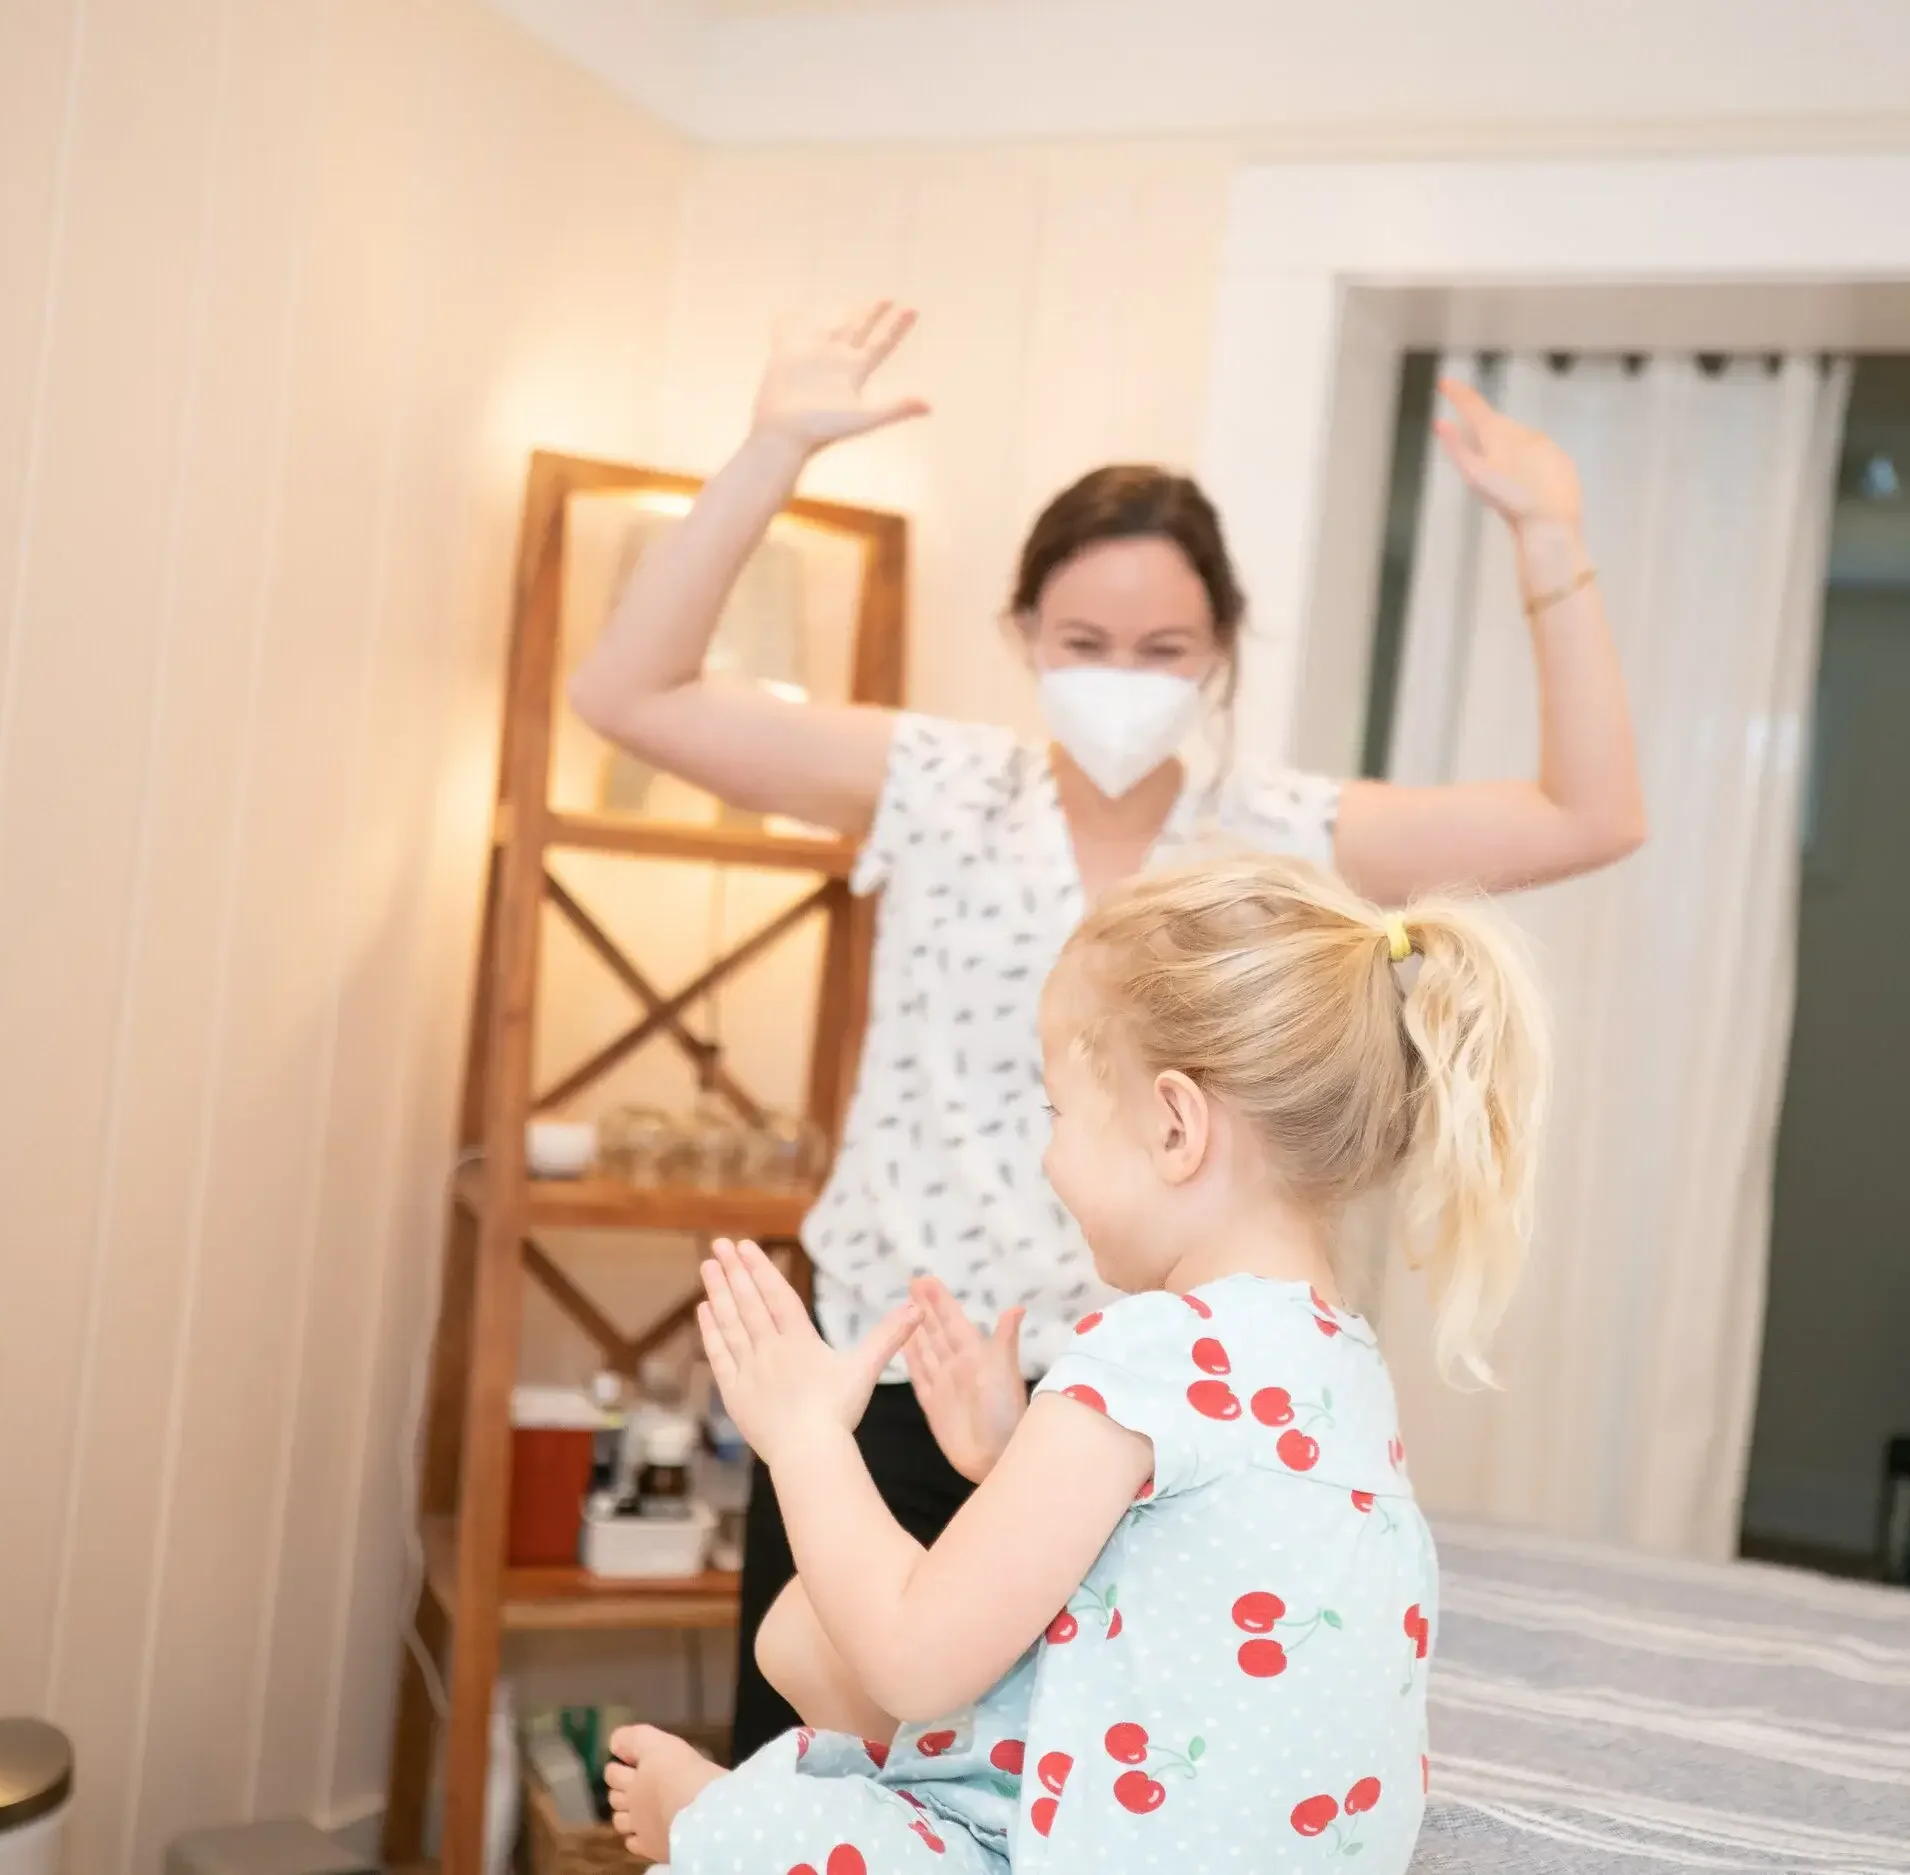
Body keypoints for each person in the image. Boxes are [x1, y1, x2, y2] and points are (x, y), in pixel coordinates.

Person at [566, 300, 1641, 1758]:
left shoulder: (1283, 834)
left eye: (1162, 645)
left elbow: (1589, 814)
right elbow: (627, 693)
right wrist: (773, 451)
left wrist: (1550, 539)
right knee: (809, 1772)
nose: (1121, 675)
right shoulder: (936, 783)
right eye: (1083, 641)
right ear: (1023, 633)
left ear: (1219, 654)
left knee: (1055, 1788)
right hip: (892, 1375)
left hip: (1127, 1420)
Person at [605, 850, 1551, 1874]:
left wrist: (803, 1436)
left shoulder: (1151, 1349)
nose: (1049, 1157)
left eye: (1057, 1114)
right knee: (803, 1636)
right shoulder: (1342, 1363)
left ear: (1177, 1126)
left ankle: (707, 1817)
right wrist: (1011, 1460)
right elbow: (1177, 1592)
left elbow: (914, 1659)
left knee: (789, 1771)